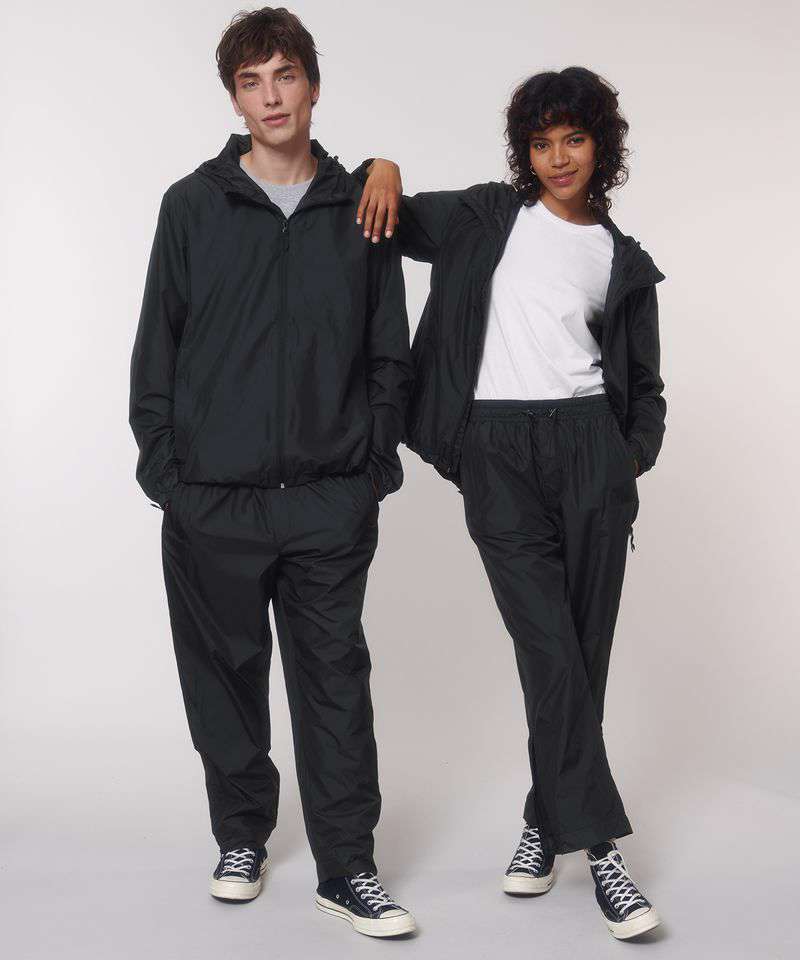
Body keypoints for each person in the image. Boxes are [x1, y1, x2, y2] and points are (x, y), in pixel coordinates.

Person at [355, 66, 665, 940]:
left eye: (574, 139)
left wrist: (627, 460)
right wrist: (382, 163)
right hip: (496, 450)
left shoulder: (621, 259)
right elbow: (388, 216)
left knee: (579, 655)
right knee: (548, 646)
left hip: (589, 452)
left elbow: (646, 386)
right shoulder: (487, 215)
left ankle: (542, 820)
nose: (558, 157)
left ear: (601, 146)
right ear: (524, 152)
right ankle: (602, 852)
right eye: (541, 142)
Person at [128, 7, 416, 938]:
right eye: (251, 82)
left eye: (285, 75)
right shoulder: (191, 204)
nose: (271, 97)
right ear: (235, 98)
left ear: (313, 85)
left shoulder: (360, 207)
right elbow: (157, 348)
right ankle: (242, 836)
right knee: (224, 678)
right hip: (214, 498)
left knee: (336, 683)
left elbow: (389, 351)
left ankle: (349, 867)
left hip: (329, 498)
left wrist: (371, 468)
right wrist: (169, 477)